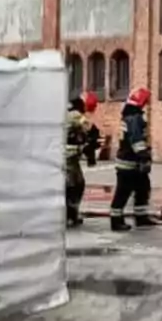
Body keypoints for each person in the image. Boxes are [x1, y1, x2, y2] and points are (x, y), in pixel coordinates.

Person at [109, 86, 155, 231]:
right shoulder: (134, 118)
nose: (146, 104)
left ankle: (141, 217)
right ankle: (116, 220)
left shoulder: (129, 115)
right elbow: (136, 140)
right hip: (129, 162)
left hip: (131, 161)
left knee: (143, 188)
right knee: (123, 192)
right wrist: (144, 155)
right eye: (145, 101)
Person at [64, 91, 99, 227]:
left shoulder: (69, 110)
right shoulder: (75, 114)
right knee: (73, 186)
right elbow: (88, 126)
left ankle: (71, 214)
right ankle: (69, 215)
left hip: (69, 157)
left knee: (77, 183)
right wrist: (93, 136)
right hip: (67, 156)